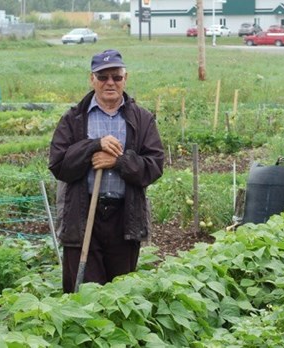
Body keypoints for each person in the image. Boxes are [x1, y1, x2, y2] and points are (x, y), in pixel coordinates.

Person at [49, 49, 164, 293]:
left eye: (116, 77)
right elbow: (59, 165)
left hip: (124, 217)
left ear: (125, 78)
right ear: (92, 79)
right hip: (82, 215)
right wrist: (93, 146)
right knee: (84, 293)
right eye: (102, 77)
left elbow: (154, 166)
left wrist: (119, 162)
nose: (110, 83)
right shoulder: (74, 119)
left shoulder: (142, 119)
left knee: (120, 294)